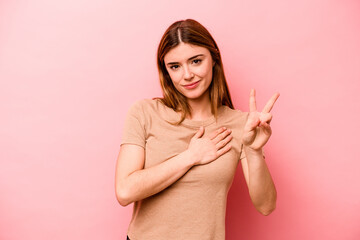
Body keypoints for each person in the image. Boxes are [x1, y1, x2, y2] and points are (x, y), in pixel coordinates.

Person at [115, 19, 279, 240]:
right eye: (175, 66)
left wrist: (255, 151)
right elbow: (125, 192)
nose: (187, 75)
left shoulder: (240, 124)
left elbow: (266, 206)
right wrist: (191, 157)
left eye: (195, 61)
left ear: (213, 60)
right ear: (166, 72)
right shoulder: (144, 113)